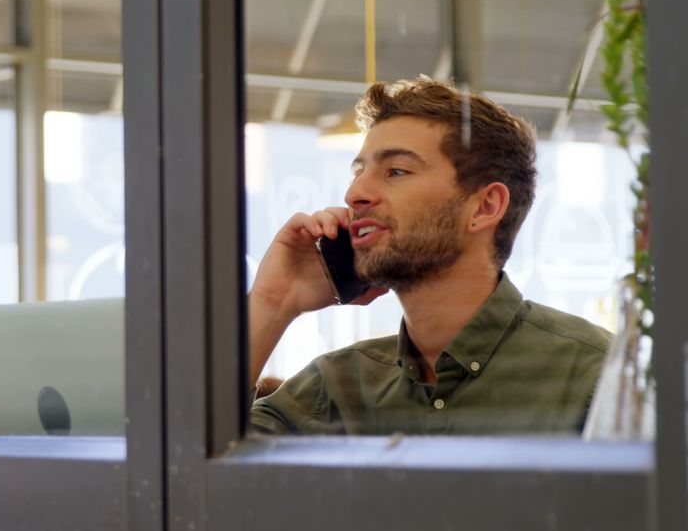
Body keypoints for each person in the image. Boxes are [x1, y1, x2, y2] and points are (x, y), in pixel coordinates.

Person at [248, 77, 610, 436]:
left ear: (485, 207)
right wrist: (272, 301)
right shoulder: (336, 389)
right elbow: (195, 462)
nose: (354, 193)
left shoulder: (592, 377)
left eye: (396, 171)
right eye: (359, 172)